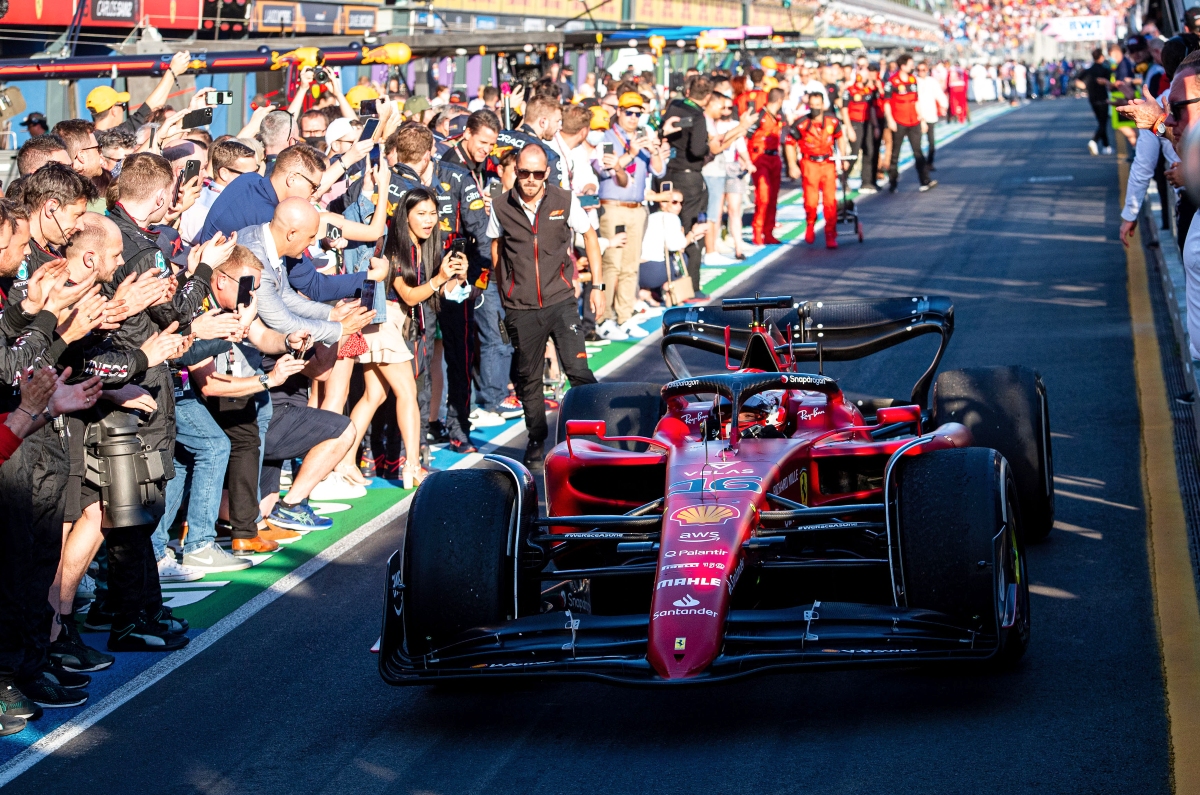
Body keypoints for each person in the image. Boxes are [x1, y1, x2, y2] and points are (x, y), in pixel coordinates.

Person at [488, 144, 603, 470]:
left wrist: (598, 286)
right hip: (521, 308)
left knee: (578, 371)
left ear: (547, 173)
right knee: (529, 379)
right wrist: (505, 295)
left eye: (537, 174)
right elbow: (497, 251)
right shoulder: (500, 206)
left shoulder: (564, 200)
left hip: (561, 301)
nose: (530, 180)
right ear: (516, 170)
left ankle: (594, 433)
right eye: (524, 173)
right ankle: (536, 440)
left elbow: (590, 236)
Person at [347, 187, 468, 488]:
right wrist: (439, 278)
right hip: (382, 323)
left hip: (387, 325)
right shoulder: (395, 248)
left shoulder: (428, 247)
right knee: (407, 395)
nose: (428, 221)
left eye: (433, 214)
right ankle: (411, 466)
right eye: (421, 214)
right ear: (406, 216)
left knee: (373, 396)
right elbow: (411, 296)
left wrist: (459, 277)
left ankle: (343, 461)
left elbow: (445, 294)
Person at [595, 91, 666, 340]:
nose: (634, 117)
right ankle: (604, 318)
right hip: (614, 207)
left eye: (638, 113)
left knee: (630, 266)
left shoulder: (642, 137)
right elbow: (604, 171)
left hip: (637, 208)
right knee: (611, 265)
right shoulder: (606, 138)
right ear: (619, 112)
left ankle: (624, 316)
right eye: (629, 112)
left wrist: (654, 147)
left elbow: (658, 170)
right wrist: (632, 153)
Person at [662, 76, 714, 297]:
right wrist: (708, 146)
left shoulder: (674, 105)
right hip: (690, 176)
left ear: (689, 91)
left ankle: (667, 282)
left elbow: (662, 130)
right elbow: (696, 150)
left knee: (669, 226)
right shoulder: (697, 116)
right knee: (692, 228)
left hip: (668, 172)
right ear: (708, 97)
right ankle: (691, 286)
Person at [785, 92, 845, 249]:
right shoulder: (801, 123)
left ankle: (830, 234)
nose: (815, 109)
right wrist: (792, 164)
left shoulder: (832, 121)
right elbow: (790, 143)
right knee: (811, 201)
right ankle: (810, 223)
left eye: (818, 105)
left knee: (829, 202)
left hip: (828, 163)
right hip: (809, 163)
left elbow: (840, 137)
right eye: (812, 106)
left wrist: (842, 158)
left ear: (823, 105)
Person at [87, 51, 191, 134]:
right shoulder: (114, 136)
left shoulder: (87, 139)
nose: (123, 111)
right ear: (113, 110)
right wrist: (172, 71)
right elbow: (150, 108)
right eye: (122, 106)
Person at [883, 54, 935, 193]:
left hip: (914, 121)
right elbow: (886, 103)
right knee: (895, 153)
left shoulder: (913, 80)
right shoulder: (892, 82)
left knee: (918, 151)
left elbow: (916, 101)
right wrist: (890, 120)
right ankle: (893, 183)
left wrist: (922, 119)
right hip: (898, 122)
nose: (913, 67)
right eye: (911, 64)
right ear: (903, 65)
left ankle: (925, 181)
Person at [747, 88, 786, 245]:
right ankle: (757, 230)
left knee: (773, 196)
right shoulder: (759, 116)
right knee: (763, 196)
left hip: (774, 157)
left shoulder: (778, 116)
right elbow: (747, 137)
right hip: (760, 158)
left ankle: (768, 232)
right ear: (780, 101)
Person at [844, 64, 879, 194]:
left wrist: (875, 126)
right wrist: (849, 128)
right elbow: (844, 110)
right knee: (854, 152)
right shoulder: (850, 90)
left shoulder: (868, 91)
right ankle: (844, 178)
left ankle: (866, 182)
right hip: (855, 123)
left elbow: (872, 109)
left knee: (868, 152)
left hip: (867, 124)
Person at [1078, 49, 1114, 156]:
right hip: (1103, 99)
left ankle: (1106, 146)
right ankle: (1094, 141)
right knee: (1103, 123)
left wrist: (1085, 87)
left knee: (1101, 122)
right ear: (1101, 57)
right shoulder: (1105, 69)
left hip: (1092, 99)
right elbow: (1110, 84)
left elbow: (1077, 81)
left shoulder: (1088, 70)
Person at [914, 62, 947, 171]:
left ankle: (930, 162)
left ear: (927, 70)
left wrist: (944, 105)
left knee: (931, 143)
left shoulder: (932, 81)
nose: (921, 72)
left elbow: (939, 94)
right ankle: (921, 163)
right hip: (918, 116)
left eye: (923, 70)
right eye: (919, 70)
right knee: (917, 144)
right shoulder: (914, 81)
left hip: (930, 114)